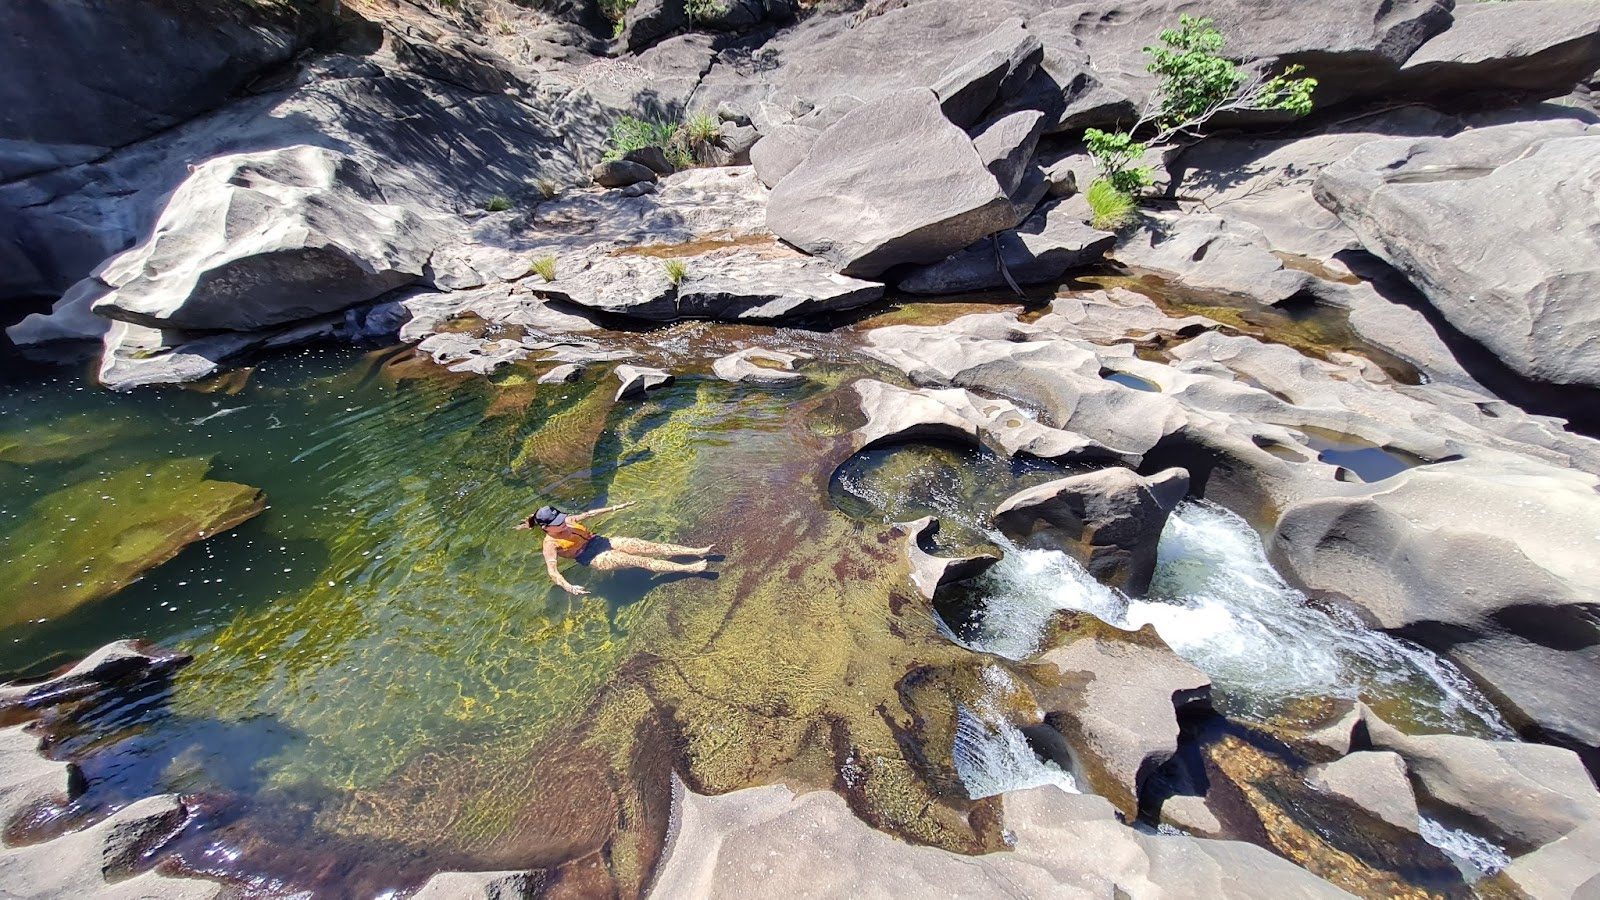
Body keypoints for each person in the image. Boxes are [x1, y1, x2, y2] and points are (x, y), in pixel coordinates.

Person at [515, 502, 713, 596]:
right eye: (558, 523)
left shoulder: (568, 520)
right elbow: (552, 570)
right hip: (593, 557)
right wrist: (569, 587)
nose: (563, 523)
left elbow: (589, 514)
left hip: (601, 541)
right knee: (643, 561)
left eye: (562, 519)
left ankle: (697, 551)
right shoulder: (550, 544)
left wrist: (616, 508)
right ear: (546, 528)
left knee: (649, 546)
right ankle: (690, 569)